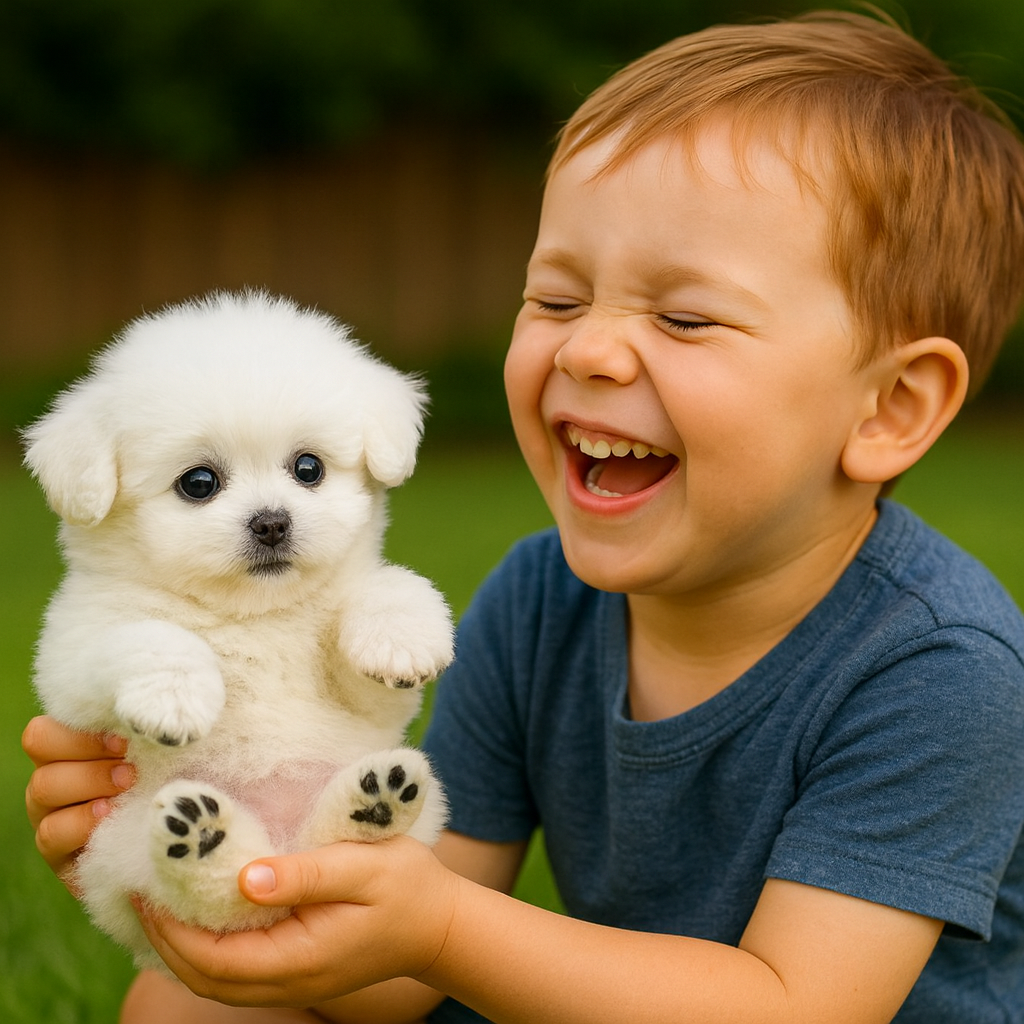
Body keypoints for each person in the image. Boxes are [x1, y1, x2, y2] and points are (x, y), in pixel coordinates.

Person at [23, 10, 1024, 1023]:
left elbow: (796, 1006)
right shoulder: (539, 600)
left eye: (683, 316)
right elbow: (395, 967)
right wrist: (193, 873)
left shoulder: (940, 666)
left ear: (890, 407)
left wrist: (442, 927)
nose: (588, 350)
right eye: (555, 298)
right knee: (189, 1007)